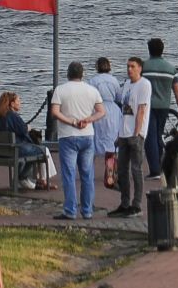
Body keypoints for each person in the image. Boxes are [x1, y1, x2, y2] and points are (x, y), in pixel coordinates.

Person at [50, 61, 104, 220]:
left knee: (69, 174)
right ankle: (87, 210)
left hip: (67, 135)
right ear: (82, 74)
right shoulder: (91, 90)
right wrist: (88, 120)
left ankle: (70, 210)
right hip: (87, 135)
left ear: (68, 74)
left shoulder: (60, 90)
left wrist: (71, 121)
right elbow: (101, 111)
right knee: (87, 174)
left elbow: (55, 112)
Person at [110, 56, 152, 218]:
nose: (129, 69)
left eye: (133, 66)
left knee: (136, 169)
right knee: (122, 169)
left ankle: (137, 204)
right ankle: (124, 202)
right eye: (128, 66)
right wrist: (119, 133)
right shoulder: (127, 85)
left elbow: (141, 110)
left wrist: (137, 133)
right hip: (124, 132)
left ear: (140, 68)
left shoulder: (144, 85)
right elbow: (124, 111)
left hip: (136, 133)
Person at [143, 37, 178, 174]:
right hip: (164, 106)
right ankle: (160, 164)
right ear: (162, 50)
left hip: (147, 106)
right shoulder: (170, 68)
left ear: (149, 50)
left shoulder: (143, 67)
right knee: (158, 135)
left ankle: (155, 169)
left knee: (150, 137)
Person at [0, 91, 48, 188]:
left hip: (3, 150)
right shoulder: (12, 116)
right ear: (12, 104)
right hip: (15, 149)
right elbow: (22, 130)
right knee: (42, 150)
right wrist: (28, 128)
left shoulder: (0, 117)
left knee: (35, 150)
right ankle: (28, 178)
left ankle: (25, 179)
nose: (20, 103)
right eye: (18, 100)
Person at [87, 58, 124, 190]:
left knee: (96, 138)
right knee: (112, 139)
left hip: (98, 109)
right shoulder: (113, 80)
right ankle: (110, 169)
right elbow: (119, 97)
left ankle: (89, 169)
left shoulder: (93, 81)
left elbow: (89, 97)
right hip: (113, 111)